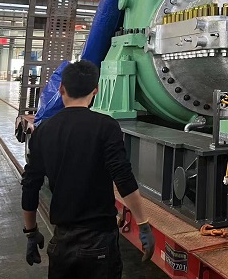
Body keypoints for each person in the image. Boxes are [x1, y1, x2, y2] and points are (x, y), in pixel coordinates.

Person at [21, 60, 155, 278]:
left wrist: (31, 232)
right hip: (100, 240)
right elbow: (123, 178)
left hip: (62, 241)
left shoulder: (44, 130)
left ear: (61, 88)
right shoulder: (106, 126)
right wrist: (143, 224)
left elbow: (30, 184)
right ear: (96, 90)